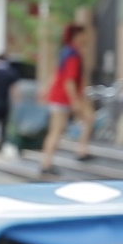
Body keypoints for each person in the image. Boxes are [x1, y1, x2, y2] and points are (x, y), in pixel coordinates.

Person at [39, 25, 93, 174]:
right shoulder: (73, 55)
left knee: (58, 129)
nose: (86, 38)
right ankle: (48, 163)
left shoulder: (65, 52)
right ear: (77, 36)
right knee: (57, 130)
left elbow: (56, 74)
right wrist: (74, 101)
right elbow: (69, 81)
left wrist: (46, 90)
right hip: (64, 97)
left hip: (59, 96)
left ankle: (78, 151)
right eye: (84, 34)